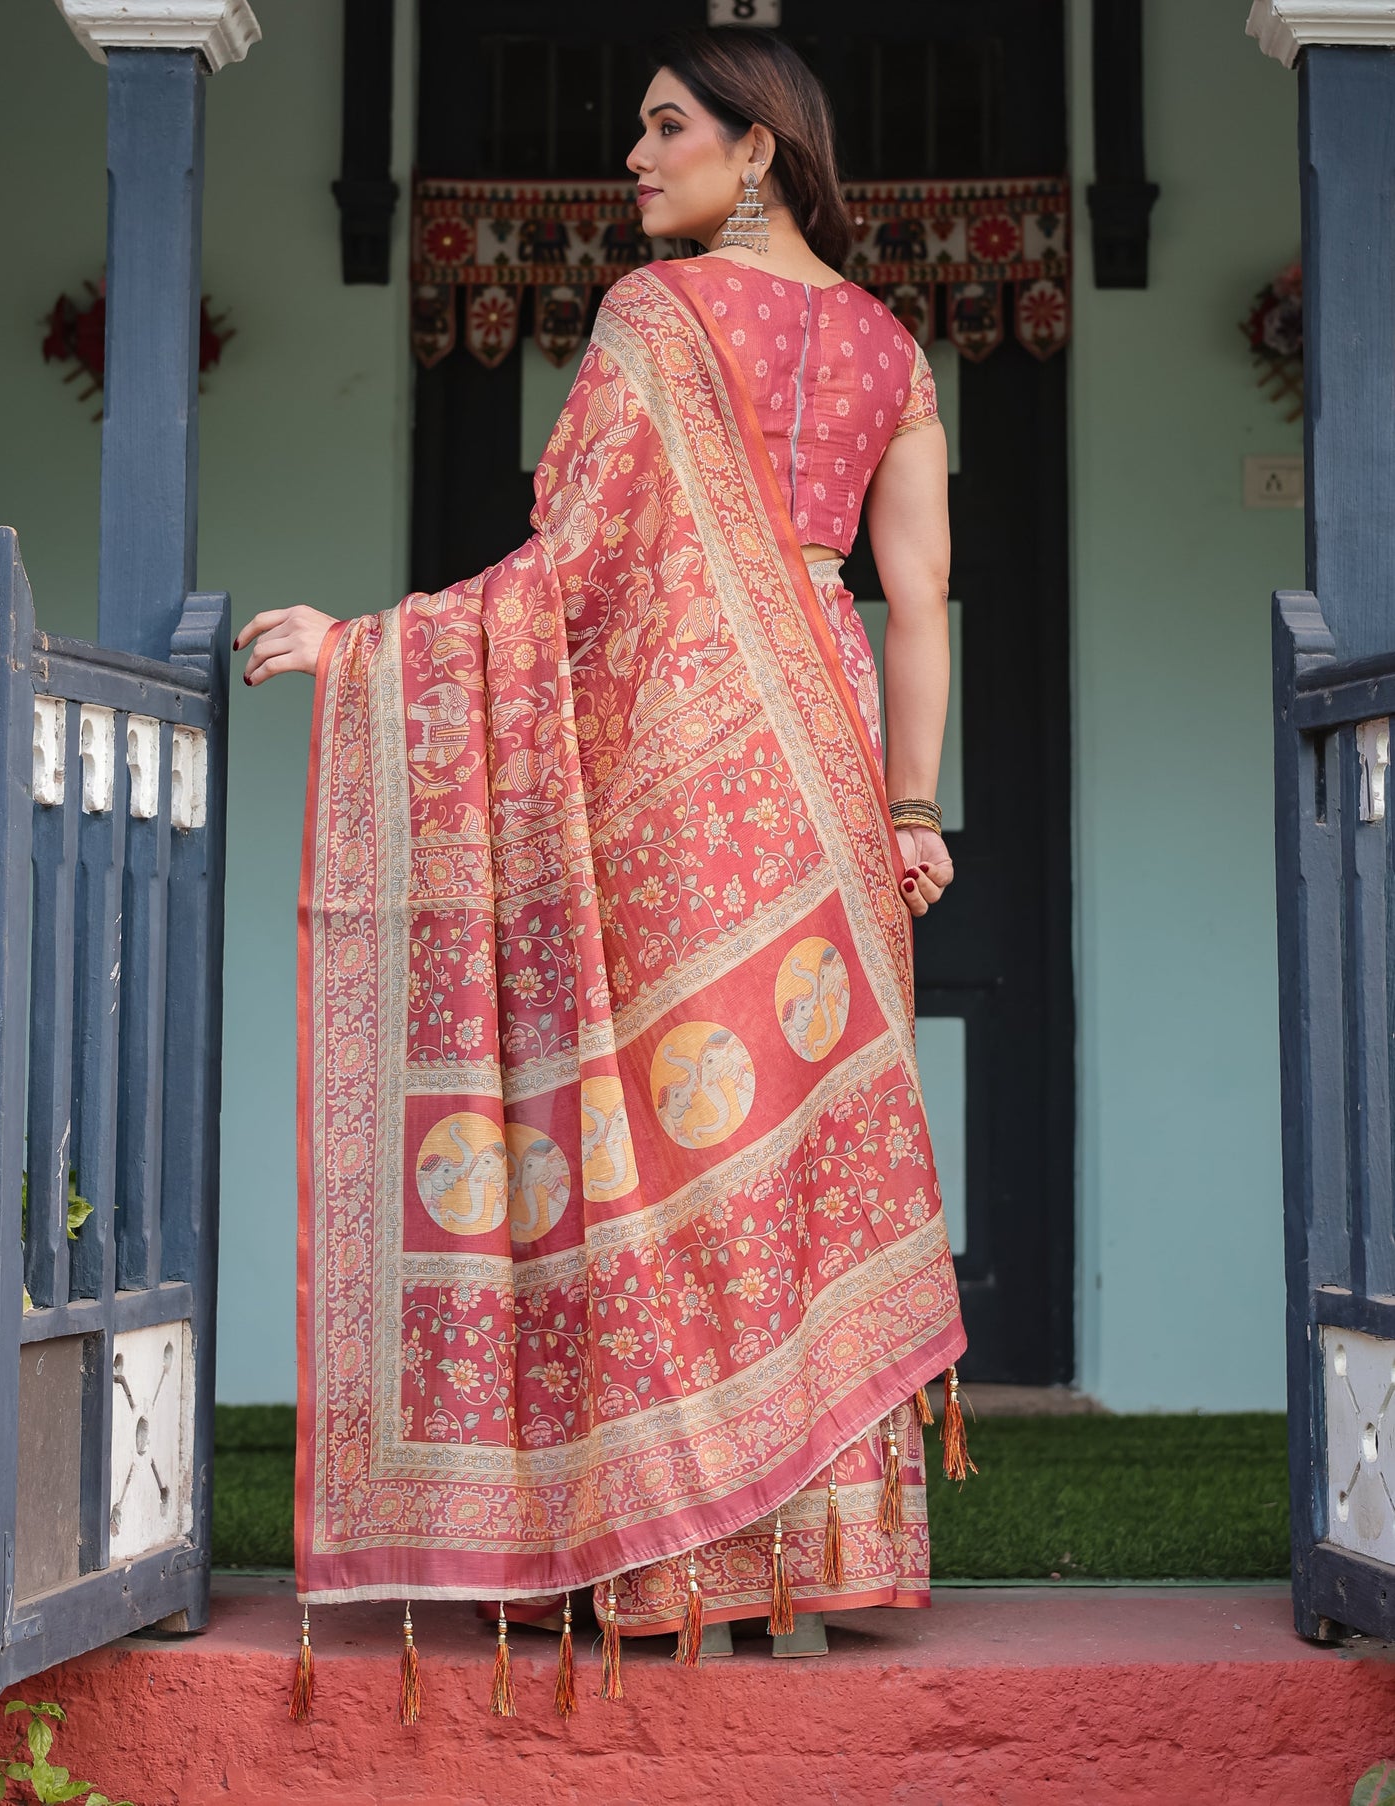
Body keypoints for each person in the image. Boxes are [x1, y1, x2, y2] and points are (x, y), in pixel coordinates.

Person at [238, 27, 966, 1713]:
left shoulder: (656, 320)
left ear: (757, 150)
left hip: (676, 739)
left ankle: (662, 1547)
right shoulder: (886, 346)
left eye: (662, 129)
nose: (632, 159)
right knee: (793, 1128)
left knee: (658, 1125)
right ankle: (807, 1566)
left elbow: (558, 577)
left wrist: (364, 652)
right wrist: (913, 813)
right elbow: (919, 594)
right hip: (827, 746)